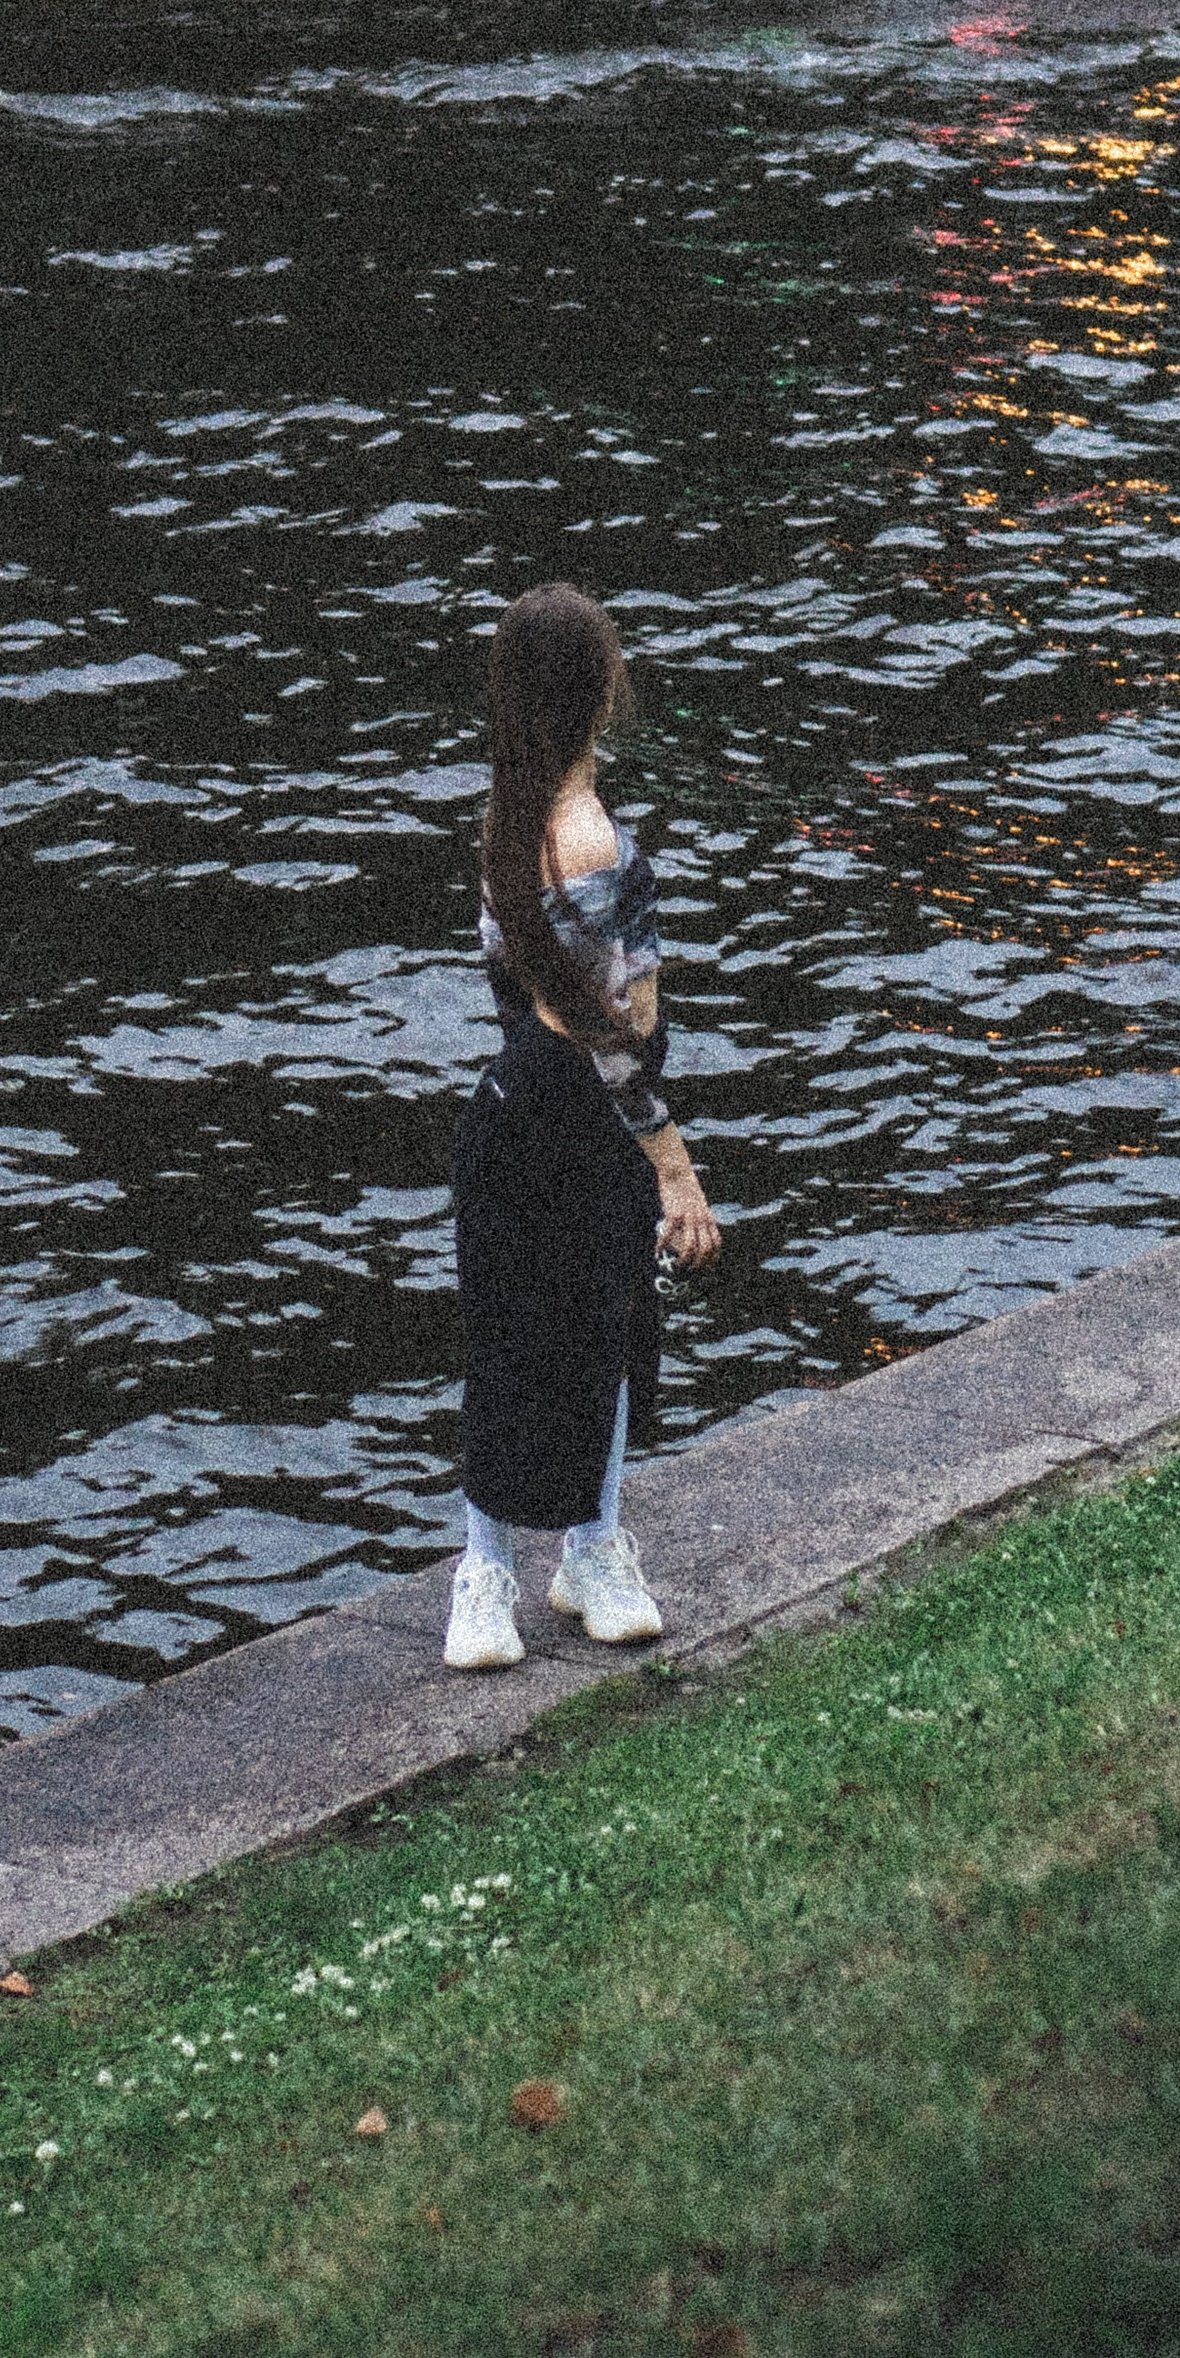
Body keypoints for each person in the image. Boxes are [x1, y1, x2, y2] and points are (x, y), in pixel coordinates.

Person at [447, 585, 721, 1672]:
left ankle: (491, 1573)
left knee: (508, 1342)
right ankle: (591, 1550)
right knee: (602, 1339)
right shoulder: (597, 844)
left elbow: (518, 1005)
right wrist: (676, 1171)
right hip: (586, 1123)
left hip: (506, 1115)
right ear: (604, 693)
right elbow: (618, 1038)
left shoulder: (503, 823)